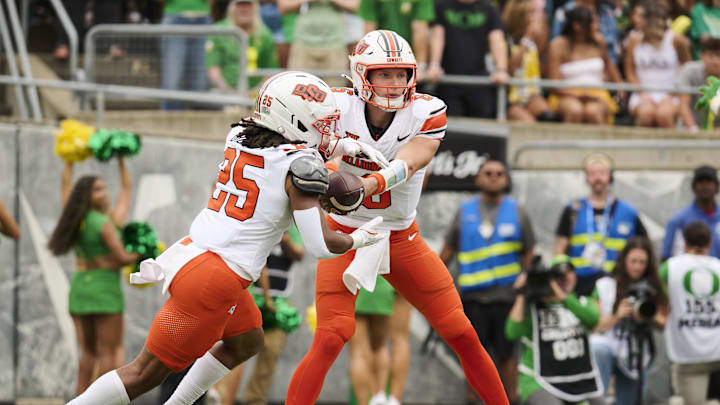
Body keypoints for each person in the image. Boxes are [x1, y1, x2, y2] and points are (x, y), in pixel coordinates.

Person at [66, 71, 388, 404]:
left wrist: (343, 147)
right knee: (142, 373)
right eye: (322, 123)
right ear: (293, 120)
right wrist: (361, 238)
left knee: (247, 340)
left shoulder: (240, 134)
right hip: (213, 279)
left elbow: (285, 155)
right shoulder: (300, 167)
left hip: (199, 259)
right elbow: (320, 245)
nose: (330, 131)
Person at [285, 30, 509, 405]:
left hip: (400, 236)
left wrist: (369, 183)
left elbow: (414, 158)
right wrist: (329, 177)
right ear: (361, 75)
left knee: (460, 330)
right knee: (329, 336)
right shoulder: (337, 106)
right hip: (348, 234)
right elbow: (327, 163)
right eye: (383, 74)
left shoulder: (426, 110)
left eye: (400, 74)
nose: (394, 83)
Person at [439, 159, 536, 405]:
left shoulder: (518, 211)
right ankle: (473, 401)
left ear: (506, 179)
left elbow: (529, 254)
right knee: (473, 358)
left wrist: (528, 281)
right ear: (478, 178)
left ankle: (510, 401)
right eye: (488, 173)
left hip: (507, 300)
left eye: (499, 173)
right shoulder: (465, 211)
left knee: (507, 357)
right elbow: (447, 252)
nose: (493, 177)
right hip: (472, 300)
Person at [47, 158, 139, 395]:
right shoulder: (105, 223)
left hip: (80, 288)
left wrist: (68, 162)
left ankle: (79, 399)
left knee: (88, 353)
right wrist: (143, 252)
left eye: (104, 188)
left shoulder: (77, 220)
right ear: (86, 196)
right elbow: (121, 258)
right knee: (110, 352)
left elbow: (67, 188)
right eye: (97, 189)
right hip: (104, 290)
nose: (104, 193)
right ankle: (97, 401)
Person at [505, 255, 605, 405]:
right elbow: (511, 332)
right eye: (558, 275)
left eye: (569, 272)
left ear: (576, 277)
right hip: (538, 380)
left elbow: (593, 321)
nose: (564, 278)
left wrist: (564, 298)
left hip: (576, 381)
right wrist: (522, 294)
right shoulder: (534, 308)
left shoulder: (583, 303)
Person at [553, 153, 647, 297]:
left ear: (610, 176)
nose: (598, 178)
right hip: (581, 285)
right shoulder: (573, 210)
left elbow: (643, 247)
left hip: (618, 282)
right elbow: (559, 249)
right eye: (592, 173)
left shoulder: (628, 212)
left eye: (602, 173)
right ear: (586, 177)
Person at [590, 236, 668, 405]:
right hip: (611, 343)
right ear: (624, 260)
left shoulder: (653, 286)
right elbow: (596, 326)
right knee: (598, 347)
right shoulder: (606, 285)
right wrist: (617, 315)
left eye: (642, 262)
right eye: (633, 261)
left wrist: (647, 314)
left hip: (639, 348)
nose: (638, 267)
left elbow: (664, 323)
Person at [662, 221, 720, 405]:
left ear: (684, 243)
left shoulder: (669, 268)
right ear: (710, 243)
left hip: (687, 355)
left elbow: (657, 302)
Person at [427, 0, 508, 118]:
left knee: (483, 121)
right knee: (451, 125)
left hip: (479, 80)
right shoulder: (442, 5)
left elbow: (496, 39)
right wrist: (434, 65)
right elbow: (437, 35)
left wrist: (501, 69)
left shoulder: (489, 9)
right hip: (448, 79)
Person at [546, 6, 623, 124]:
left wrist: (619, 90)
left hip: (597, 95)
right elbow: (554, 83)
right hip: (565, 95)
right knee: (574, 110)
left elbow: (610, 71)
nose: (598, 26)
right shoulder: (558, 45)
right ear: (577, 26)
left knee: (593, 112)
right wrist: (579, 94)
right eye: (593, 22)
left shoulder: (600, 43)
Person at [624, 2, 690, 128]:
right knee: (646, 114)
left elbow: (687, 70)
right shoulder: (633, 40)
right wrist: (641, 92)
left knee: (663, 115)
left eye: (640, 16)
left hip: (671, 93)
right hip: (642, 92)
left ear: (651, 19)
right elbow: (630, 72)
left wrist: (674, 93)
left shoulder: (676, 40)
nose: (634, 19)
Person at [277, 0, 357, 87]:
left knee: (335, 94)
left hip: (334, 46)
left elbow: (356, 6)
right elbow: (283, 7)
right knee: (297, 90)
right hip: (303, 45)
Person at [206, 0, 279, 95]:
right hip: (224, 92)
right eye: (240, 5)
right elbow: (213, 71)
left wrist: (253, 93)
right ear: (232, 8)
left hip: (256, 93)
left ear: (255, 8)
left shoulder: (265, 34)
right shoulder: (219, 31)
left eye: (248, 5)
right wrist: (230, 94)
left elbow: (270, 71)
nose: (244, 9)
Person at [502, 0, 554, 122]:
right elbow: (510, 68)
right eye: (530, 13)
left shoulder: (532, 43)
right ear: (518, 16)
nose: (533, 18)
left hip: (532, 95)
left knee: (548, 117)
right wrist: (527, 39)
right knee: (529, 122)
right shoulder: (506, 40)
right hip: (511, 99)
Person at [357, 0, 433, 80]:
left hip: (391, 59)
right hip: (388, 58)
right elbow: (420, 31)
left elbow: (370, 33)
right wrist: (420, 67)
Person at [160, 0, 212, 110]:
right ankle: (170, 123)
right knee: (172, 82)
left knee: (200, 82)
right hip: (174, 17)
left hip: (203, 18)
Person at [663, 165, 720, 260]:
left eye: (709, 182)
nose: (705, 186)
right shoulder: (679, 220)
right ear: (693, 187)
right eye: (701, 182)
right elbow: (666, 257)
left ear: (717, 187)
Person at [551, 0, 621, 64]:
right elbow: (556, 52)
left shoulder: (607, 12)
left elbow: (613, 51)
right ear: (576, 25)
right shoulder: (563, 12)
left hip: (603, 68)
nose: (597, 26)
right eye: (591, 22)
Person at [677, 36, 720, 131]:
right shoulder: (688, 70)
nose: (716, 61)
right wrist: (694, 130)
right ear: (701, 56)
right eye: (711, 55)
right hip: (690, 128)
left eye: (719, 56)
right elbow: (683, 104)